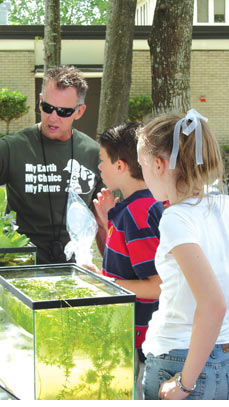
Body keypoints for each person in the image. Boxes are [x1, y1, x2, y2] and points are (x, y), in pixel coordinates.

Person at [136, 108, 229, 400]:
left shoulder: (176, 218)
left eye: (142, 166)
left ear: (160, 165)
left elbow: (213, 304)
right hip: (222, 361)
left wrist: (184, 384)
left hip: (178, 365)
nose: (143, 176)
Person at [0, 65, 104, 264]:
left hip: (76, 265)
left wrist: (111, 270)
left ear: (79, 111)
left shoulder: (94, 153)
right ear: (40, 101)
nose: (53, 117)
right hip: (20, 263)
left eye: (63, 111)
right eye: (47, 108)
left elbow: (101, 219)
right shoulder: (13, 147)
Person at [84, 122, 163, 400]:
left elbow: (156, 285)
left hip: (140, 339)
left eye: (102, 161)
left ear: (120, 166)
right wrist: (108, 223)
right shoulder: (139, 206)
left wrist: (106, 283)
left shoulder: (136, 214)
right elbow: (129, 263)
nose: (99, 168)